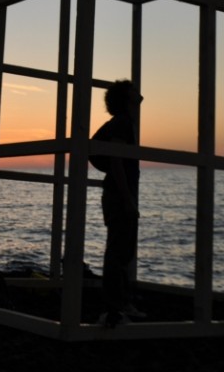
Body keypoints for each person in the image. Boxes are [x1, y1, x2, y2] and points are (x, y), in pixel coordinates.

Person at [90, 79, 144, 327]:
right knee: (118, 250)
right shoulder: (122, 123)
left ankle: (121, 303)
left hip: (119, 192)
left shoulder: (122, 123)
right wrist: (127, 199)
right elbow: (116, 162)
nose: (140, 95)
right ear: (126, 98)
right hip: (119, 194)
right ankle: (114, 308)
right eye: (134, 91)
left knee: (122, 249)